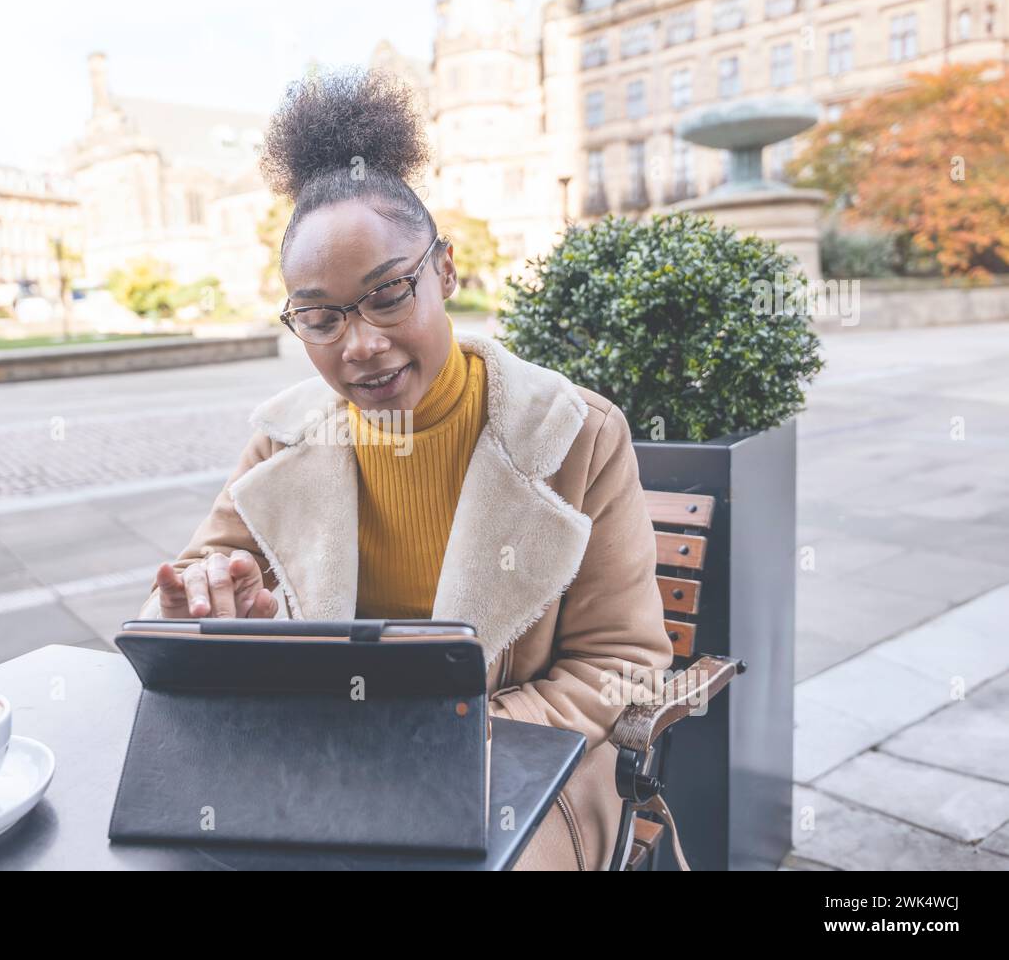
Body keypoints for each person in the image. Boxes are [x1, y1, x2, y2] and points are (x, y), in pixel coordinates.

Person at [136, 68, 672, 871]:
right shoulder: (282, 443)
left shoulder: (577, 435)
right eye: (320, 316)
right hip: (331, 770)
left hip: (524, 772)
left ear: (446, 271)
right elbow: (171, 610)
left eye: (389, 294)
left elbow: (624, 666)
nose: (360, 344)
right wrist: (218, 616)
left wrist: (447, 731)